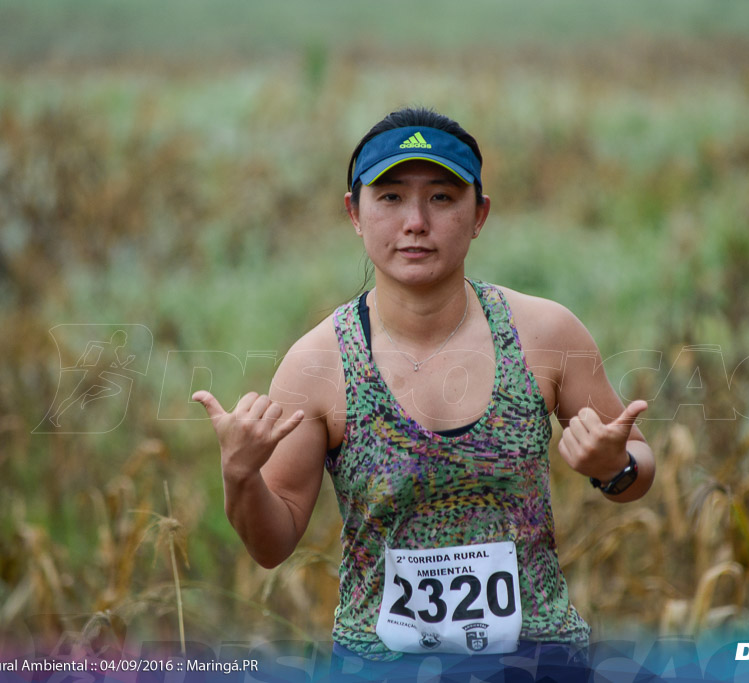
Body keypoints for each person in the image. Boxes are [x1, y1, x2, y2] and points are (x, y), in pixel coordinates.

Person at [193, 107, 655, 681]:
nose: (415, 221)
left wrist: (616, 467)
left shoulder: (544, 334)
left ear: (478, 214)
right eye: (389, 197)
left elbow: (638, 462)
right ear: (354, 213)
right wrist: (239, 475)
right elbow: (272, 543)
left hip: (540, 661)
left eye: (441, 197)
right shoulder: (318, 365)